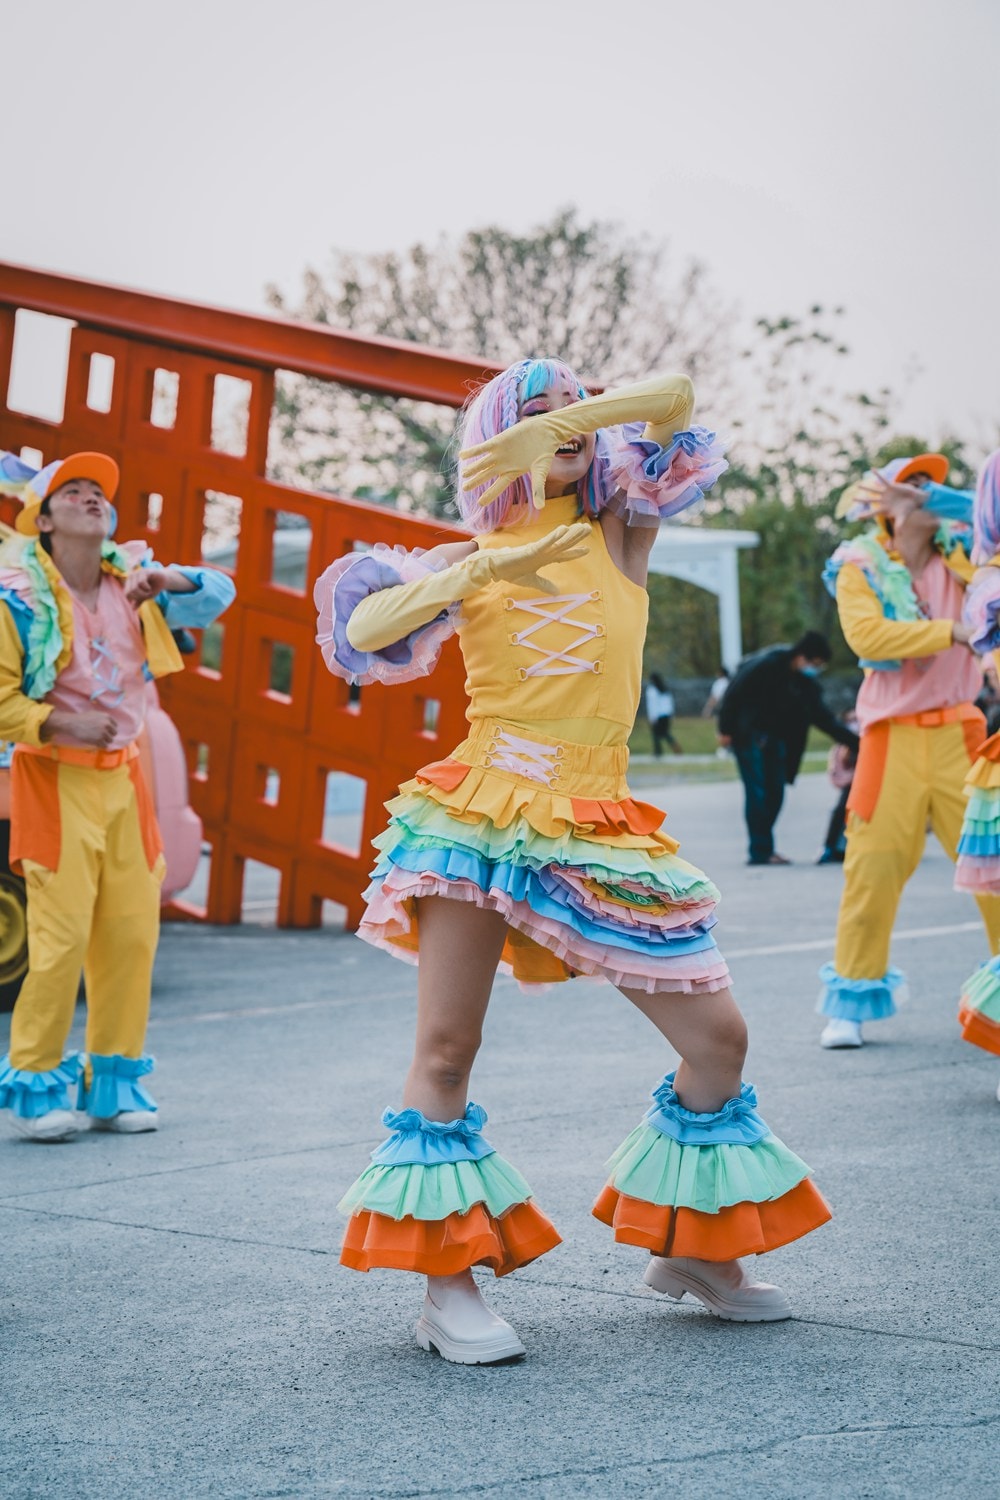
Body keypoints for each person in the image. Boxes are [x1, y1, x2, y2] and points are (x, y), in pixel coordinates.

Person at [315, 360, 831, 1366]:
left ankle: (688, 1253)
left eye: (577, 415)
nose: (567, 428)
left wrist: (576, 419)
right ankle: (445, 1285)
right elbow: (363, 632)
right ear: (497, 439)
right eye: (537, 416)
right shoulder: (469, 554)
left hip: (599, 819)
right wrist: (475, 572)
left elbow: (677, 402)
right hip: (483, 812)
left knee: (718, 1038)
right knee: (447, 1050)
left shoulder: (621, 532)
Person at [0, 451, 235, 1140]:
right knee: (62, 936)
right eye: (72, 491)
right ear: (43, 520)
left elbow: (216, 594)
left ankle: (114, 1085)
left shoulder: (133, 578)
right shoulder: (17, 597)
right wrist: (60, 720)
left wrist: (173, 577)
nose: (91, 497)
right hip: (54, 774)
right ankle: (41, 1087)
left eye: (99, 491)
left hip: (125, 778)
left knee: (132, 934)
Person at [818, 454, 999, 1049]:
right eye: (912, 482)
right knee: (870, 869)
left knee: (994, 870)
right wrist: (952, 631)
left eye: (933, 482)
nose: (926, 490)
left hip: (960, 733)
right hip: (888, 738)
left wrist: (947, 503)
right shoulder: (858, 564)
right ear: (881, 502)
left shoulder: (969, 556)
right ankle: (851, 999)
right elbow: (868, 637)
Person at [717, 633, 859, 866]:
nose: (816, 670)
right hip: (748, 736)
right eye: (815, 664)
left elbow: (823, 718)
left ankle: (763, 847)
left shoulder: (805, 684)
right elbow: (733, 693)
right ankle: (760, 851)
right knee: (757, 793)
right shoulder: (767, 664)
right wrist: (725, 729)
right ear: (802, 656)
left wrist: (857, 742)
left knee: (775, 793)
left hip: (775, 741)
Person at [817, 713, 859, 864]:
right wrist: (854, 777)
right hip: (851, 785)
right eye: (851, 721)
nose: (854, 724)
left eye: (857, 720)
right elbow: (836, 776)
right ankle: (830, 847)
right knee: (841, 810)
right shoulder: (841, 749)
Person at [644, 671, 681, 756]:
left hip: (658, 715)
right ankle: (676, 747)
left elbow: (652, 705)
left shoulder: (652, 690)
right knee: (665, 733)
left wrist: (652, 717)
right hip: (666, 714)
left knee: (656, 734)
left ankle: (658, 751)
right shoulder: (664, 689)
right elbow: (669, 703)